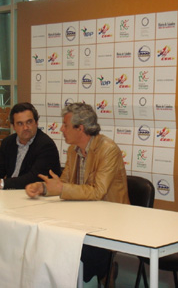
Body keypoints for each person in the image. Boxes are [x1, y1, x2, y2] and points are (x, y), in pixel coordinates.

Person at [25, 102, 129, 285]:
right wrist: (44, 188)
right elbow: (64, 183)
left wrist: (61, 189)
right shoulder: (74, 150)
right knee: (53, 236)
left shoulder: (108, 150)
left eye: (65, 125)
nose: (61, 129)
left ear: (80, 128)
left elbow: (98, 191)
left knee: (78, 246)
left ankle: (104, 271)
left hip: (110, 217)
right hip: (84, 214)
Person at [0, 102, 61, 189]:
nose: (25, 127)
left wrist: (1, 183)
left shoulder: (46, 145)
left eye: (29, 122)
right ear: (14, 126)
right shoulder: (8, 142)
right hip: (11, 195)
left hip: (35, 196)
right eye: (20, 124)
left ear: (36, 123)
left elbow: (34, 178)